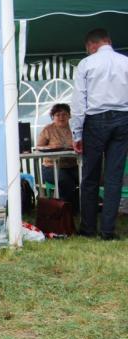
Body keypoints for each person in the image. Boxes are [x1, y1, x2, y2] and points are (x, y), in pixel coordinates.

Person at [70, 28, 128, 240]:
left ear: (91, 45)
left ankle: (88, 228)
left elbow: (78, 101)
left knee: (90, 177)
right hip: (123, 118)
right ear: (108, 41)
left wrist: (77, 133)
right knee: (114, 178)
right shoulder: (125, 61)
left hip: (95, 120)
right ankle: (108, 231)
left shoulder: (87, 64)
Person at [36, 103, 79, 211]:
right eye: (58, 115)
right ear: (53, 117)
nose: (61, 117)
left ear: (69, 116)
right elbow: (38, 147)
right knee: (65, 180)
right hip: (50, 167)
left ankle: (78, 207)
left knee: (87, 178)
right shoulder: (48, 129)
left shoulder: (75, 129)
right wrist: (51, 147)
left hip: (72, 166)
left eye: (64, 114)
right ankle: (66, 210)